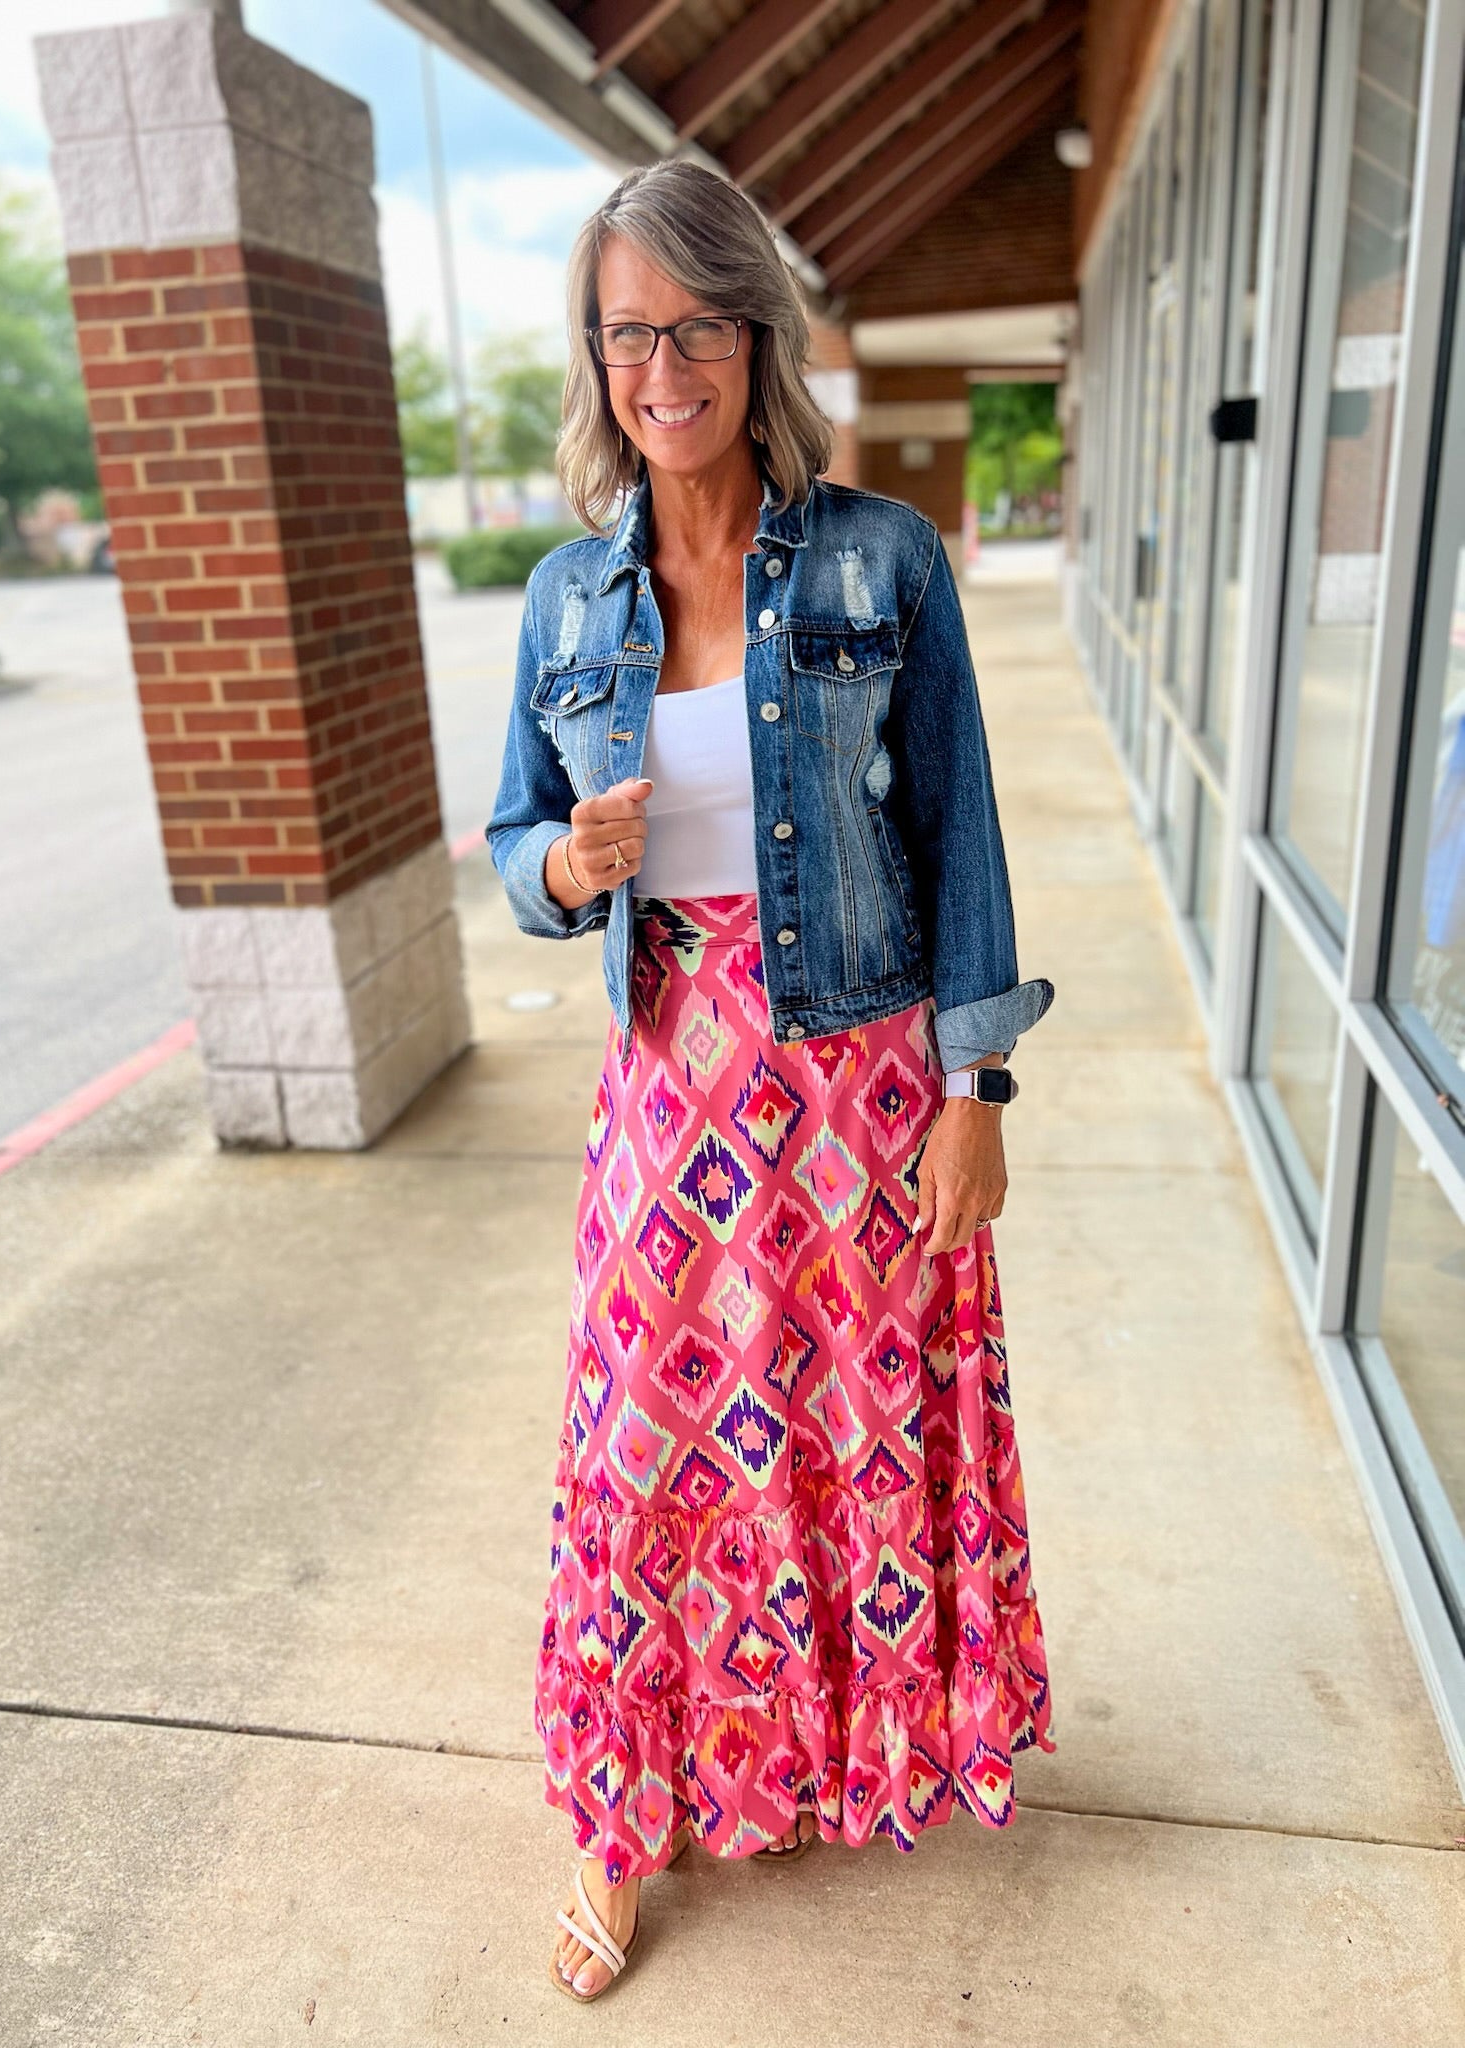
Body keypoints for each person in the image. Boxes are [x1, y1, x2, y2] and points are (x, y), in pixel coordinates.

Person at [486, 158, 1058, 2006]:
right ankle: (619, 1807)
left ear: (757, 332)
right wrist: (569, 868)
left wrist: (980, 1082)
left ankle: (814, 1753)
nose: (666, 363)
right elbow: (517, 843)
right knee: (644, 1453)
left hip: (864, 1076)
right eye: (629, 329)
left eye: (698, 322)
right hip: (673, 1081)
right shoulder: (569, 599)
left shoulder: (884, 555)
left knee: (849, 1447)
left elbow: (961, 819)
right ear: (600, 354)